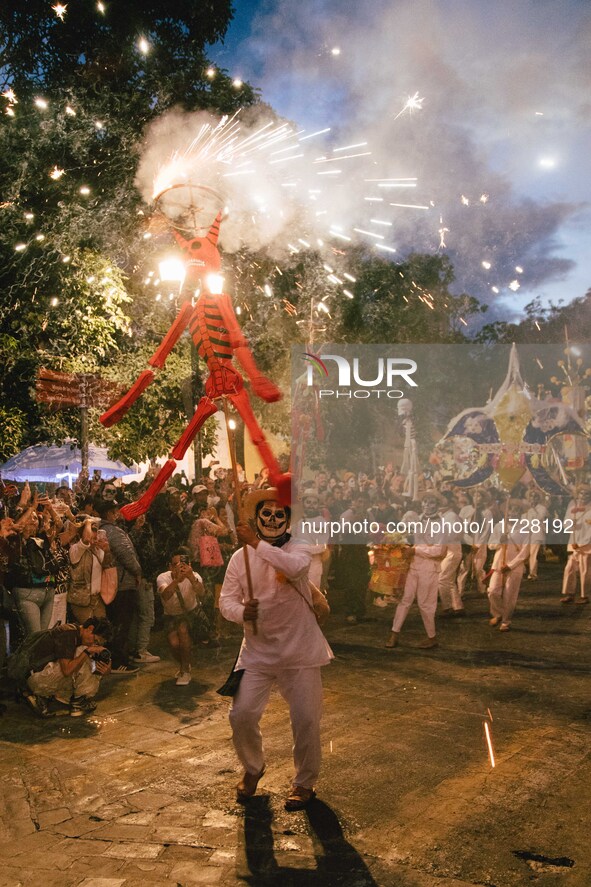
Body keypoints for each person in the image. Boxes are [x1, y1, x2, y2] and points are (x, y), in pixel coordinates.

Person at [219, 489, 333, 811]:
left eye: (278, 514)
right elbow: (225, 601)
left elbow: (295, 568)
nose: (271, 520)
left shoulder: (299, 547)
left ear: (287, 520)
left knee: (307, 719)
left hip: (300, 650)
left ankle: (304, 782)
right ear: (256, 519)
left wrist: (256, 544)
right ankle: (253, 768)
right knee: (241, 715)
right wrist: (243, 613)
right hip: (257, 651)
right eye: (265, 514)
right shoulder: (239, 559)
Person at [386, 492, 447, 649]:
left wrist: (416, 551)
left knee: (425, 604)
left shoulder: (442, 524)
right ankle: (394, 634)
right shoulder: (418, 520)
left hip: (429, 568)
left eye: (431, 502)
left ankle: (431, 637)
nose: (427, 505)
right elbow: (409, 538)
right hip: (413, 566)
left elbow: (439, 551)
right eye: (425, 501)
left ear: (438, 505)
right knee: (404, 600)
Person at [21, 617, 113, 717]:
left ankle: (51, 698)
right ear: (90, 628)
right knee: (82, 653)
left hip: (46, 676)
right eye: (95, 640)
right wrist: (87, 651)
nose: (93, 644)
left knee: (90, 657)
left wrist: (106, 669)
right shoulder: (68, 633)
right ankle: (75, 701)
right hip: (36, 679)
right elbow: (67, 671)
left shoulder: (79, 636)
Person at [95, 498, 141, 674]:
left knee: (116, 623)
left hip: (112, 584)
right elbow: (126, 554)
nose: (118, 514)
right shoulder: (112, 531)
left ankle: (115, 660)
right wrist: (137, 571)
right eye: (115, 511)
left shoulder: (99, 530)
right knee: (121, 624)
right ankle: (119, 662)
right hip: (122, 584)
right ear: (109, 513)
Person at [156, 548, 206, 686]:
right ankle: (185, 663)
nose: (180, 567)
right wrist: (177, 580)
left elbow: (202, 593)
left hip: (191, 614)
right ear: (170, 566)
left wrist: (190, 577)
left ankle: (185, 670)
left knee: (183, 631)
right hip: (171, 616)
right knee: (174, 644)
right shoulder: (162, 577)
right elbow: (165, 595)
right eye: (175, 564)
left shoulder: (194, 575)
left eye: (183, 564)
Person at [487, 499, 530, 632]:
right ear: (506, 511)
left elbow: (525, 552)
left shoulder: (525, 528)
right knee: (492, 591)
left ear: (521, 513)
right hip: (499, 563)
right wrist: (499, 542)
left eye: (516, 511)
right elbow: (490, 545)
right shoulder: (499, 526)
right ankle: (498, 613)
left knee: (509, 595)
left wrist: (511, 565)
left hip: (514, 567)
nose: (513, 513)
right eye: (510, 510)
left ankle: (506, 620)